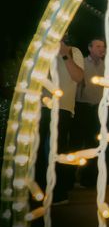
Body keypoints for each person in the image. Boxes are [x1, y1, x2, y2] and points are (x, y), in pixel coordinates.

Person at [35, 32, 84, 204]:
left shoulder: (73, 51)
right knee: (38, 149)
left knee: (59, 149)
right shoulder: (42, 49)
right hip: (40, 105)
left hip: (62, 107)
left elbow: (78, 77)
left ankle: (59, 192)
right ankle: (38, 190)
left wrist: (64, 54)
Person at [73, 37, 105, 188]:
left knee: (93, 143)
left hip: (97, 108)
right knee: (77, 142)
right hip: (82, 107)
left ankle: (87, 179)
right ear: (90, 48)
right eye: (98, 46)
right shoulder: (83, 63)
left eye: (103, 46)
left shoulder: (105, 66)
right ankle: (70, 178)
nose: (101, 49)